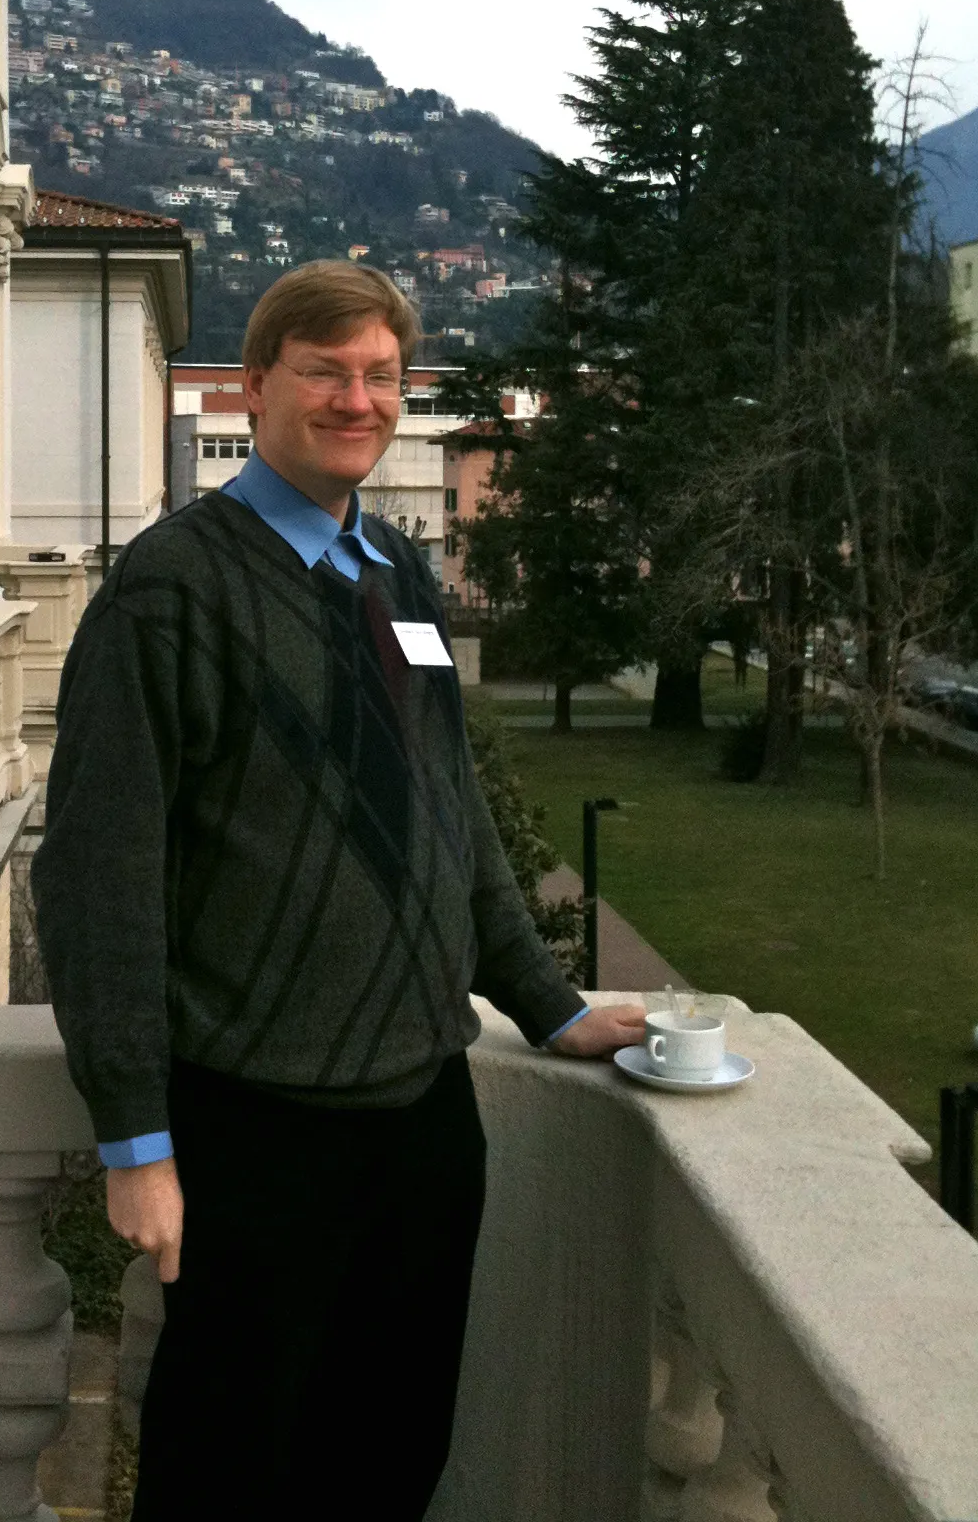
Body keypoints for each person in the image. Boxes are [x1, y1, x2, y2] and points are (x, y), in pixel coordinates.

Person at [32, 260, 645, 1519]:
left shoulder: (399, 574)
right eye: (324, 370)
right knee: (231, 1473)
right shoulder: (171, 588)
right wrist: (136, 1138)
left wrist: (546, 1000)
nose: (355, 397)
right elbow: (99, 873)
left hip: (423, 1117)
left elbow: (450, 811)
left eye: (379, 374)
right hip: (256, 1128)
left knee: (388, 1457)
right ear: (254, 388)